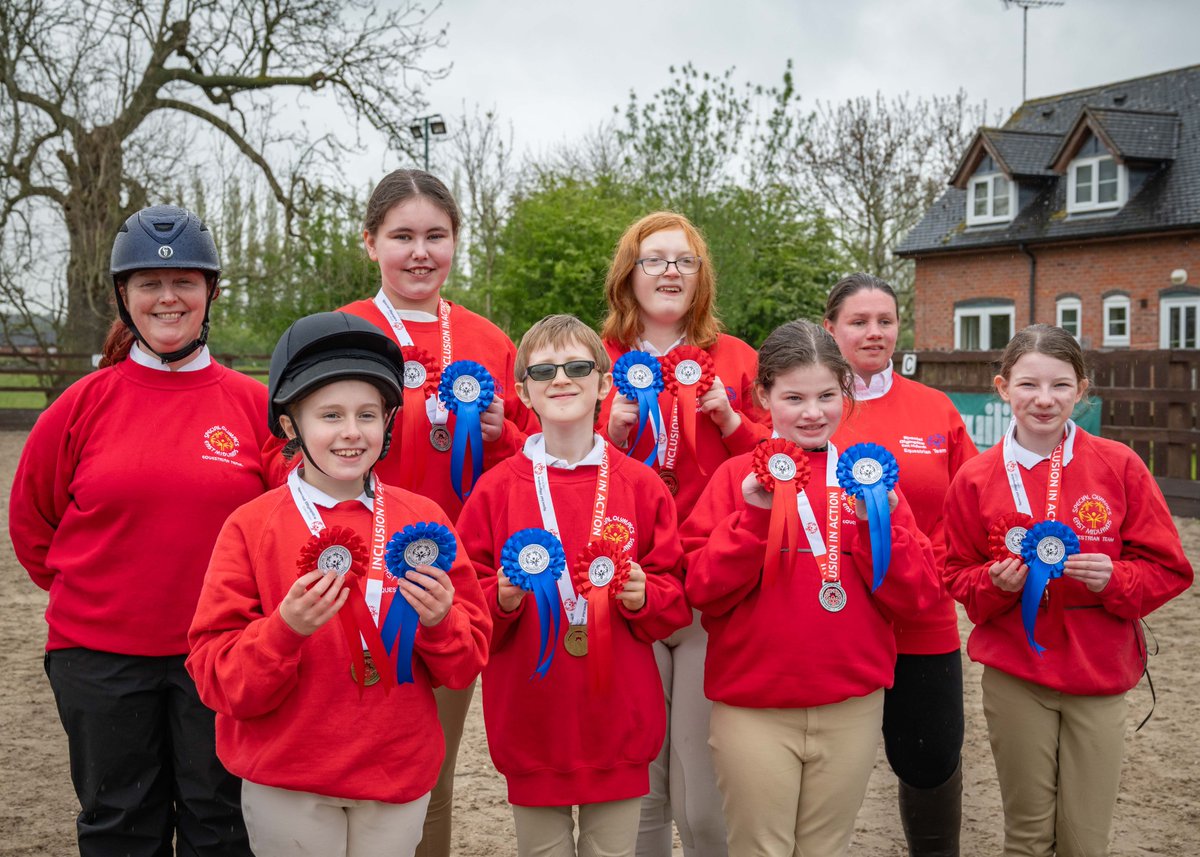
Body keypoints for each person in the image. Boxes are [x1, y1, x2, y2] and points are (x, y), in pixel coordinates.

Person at [8, 205, 280, 856]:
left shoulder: (254, 407)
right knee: (121, 827)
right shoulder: (79, 407)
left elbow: (282, 525)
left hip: (221, 655)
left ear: (210, 291)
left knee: (223, 826)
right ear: (123, 296)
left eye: (184, 281)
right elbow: (32, 526)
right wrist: (106, 600)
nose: (167, 298)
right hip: (100, 660)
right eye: (149, 284)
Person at [186, 311, 490, 857]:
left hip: (395, 773)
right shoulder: (250, 527)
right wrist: (284, 631)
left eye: (367, 414)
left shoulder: (425, 521)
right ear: (289, 426)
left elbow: (466, 663)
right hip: (289, 774)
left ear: (388, 423)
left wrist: (441, 622)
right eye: (330, 415)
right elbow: (216, 677)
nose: (352, 432)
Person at [682, 319, 938, 857]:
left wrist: (880, 526)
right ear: (763, 396)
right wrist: (752, 520)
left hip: (851, 705)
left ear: (846, 393)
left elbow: (916, 599)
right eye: (794, 397)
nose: (813, 412)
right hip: (754, 709)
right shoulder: (735, 480)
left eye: (827, 395)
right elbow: (703, 590)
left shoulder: (869, 480)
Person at [338, 168, 537, 856]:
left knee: (430, 769)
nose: (419, 252)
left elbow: (528, 466)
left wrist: (500, 436)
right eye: (402, 236)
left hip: (449, 590)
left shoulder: (488, 341)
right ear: (371, 243)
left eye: (435, 235)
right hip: (350, 580)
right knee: (344, 767)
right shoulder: (340, 331)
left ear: (455, 241)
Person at [942, 324, 1192, 857]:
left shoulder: (1119, 465)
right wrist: (993, 582)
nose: (1044, 400)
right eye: (1028, 385)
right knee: (1027, 838)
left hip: (1098, 675)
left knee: (1085, 841)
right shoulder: (974, 478)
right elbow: (956, 573)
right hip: (1016, 675)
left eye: (1059, 386)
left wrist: (1116, 578)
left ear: (1081, 390)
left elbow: (1170, 569)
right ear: (1003, 387)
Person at [457, 314, 691, 857]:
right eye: (544, 371)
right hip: (532, 722)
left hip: (618, 726)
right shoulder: (495, 491)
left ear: (605, 383)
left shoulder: (642, 485)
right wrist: (503, 599)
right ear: (523, 391)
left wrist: (643, 595)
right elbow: (466, 606)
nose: (561, 379)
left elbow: (675, 597)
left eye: (578, 367)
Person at [597, 211, 770, 857]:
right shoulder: (595, 359)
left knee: (703, 799)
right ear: (629, 276)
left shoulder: (736, 359)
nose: (670, 271)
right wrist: (605, 437)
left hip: (706, 587)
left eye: (684, 261)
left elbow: (781, 463)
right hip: (624, 585)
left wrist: (730, 422)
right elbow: (558, 471)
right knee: (640, 788)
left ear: (701, 279)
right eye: (654, 259)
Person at [822, 272, 977, 856]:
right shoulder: (807, 405)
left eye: (885, 321)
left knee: (930, 758)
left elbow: (974, 502)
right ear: (829, 328)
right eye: (858, 321)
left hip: (921, 615)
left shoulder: (934, 408)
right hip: (834, 616)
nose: (874, 332)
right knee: (825, 763)